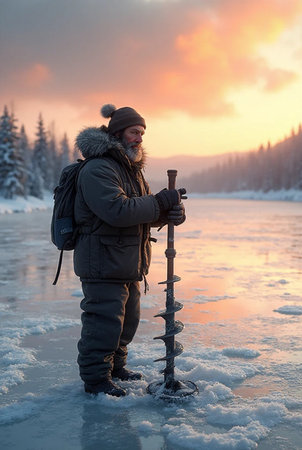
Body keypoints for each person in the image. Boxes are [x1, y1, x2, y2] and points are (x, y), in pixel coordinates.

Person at [74, 104, 186, 396]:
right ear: (118, 133)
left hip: (126, 261)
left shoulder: (131, 171)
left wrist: (167, 215)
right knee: (103, 323)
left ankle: (115, 368)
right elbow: (117, 211)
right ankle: (96, 380)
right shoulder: (98, 168)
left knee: (127, 322)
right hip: (102, 261)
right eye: (134, 132)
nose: (139, 138)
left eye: (142, 133)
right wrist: (160, 202)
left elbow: (141, 212)